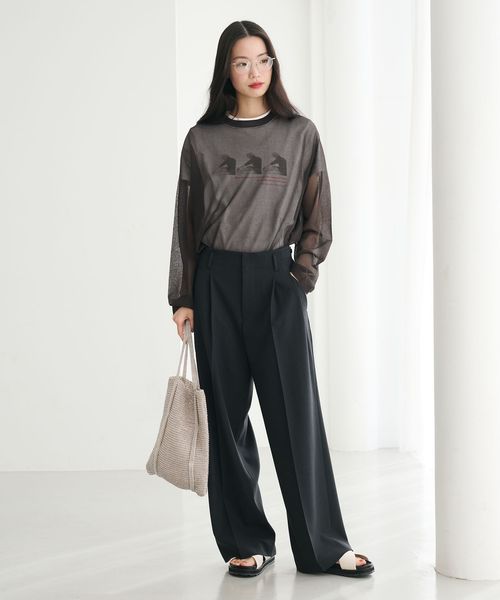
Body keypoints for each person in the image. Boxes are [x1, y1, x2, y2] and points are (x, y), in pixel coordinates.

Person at [167, 20, 374, 579]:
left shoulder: (298, 133)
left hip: (275, 280)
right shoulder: (202, 139)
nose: (254, 72)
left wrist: (299, 277)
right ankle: (249, 540)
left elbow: (317, 213)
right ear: (226, 70)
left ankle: (323, 546)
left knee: (295, 416)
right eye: (241, 62)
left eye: (263, 60)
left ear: (273, 65)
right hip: (215, 282)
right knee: (227, 417)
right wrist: (183, 295)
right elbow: (186, 223)